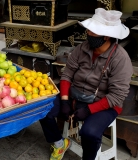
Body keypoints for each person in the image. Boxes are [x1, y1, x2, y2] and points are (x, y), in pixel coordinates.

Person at [40, 8, 133, 160]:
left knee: (89, 133)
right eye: (89, 30)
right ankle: (59, 143)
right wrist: (64, 100)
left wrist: (89, 110)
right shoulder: (82, 48)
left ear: (107, 36)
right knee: (43, 110)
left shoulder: (121, 59)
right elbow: (67, 74)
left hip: (104, 104)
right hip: (75, 95)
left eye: (93, 32)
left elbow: (116, 97)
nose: (88, 34)